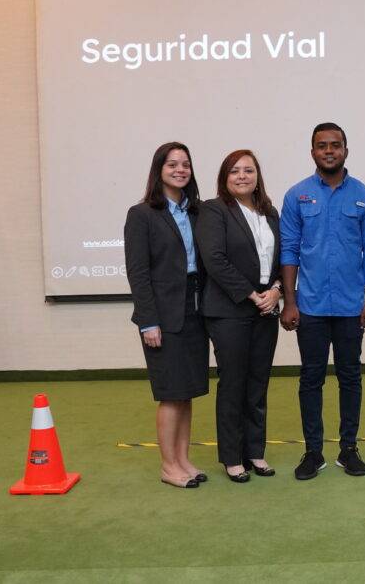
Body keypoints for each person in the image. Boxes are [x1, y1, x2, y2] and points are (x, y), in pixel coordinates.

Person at [280, 122, 365, 480]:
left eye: (335, 145)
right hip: (308, 306)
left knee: (350, 376)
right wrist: (289, 302)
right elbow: (289, 250)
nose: (329, 151)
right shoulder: (297, 196)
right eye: (322, 146)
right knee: (311, 378)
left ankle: (348, 449)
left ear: (345, 150)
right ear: (312, 152)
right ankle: (312, 452)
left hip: (350, 306)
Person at [124, 142, 210, 489]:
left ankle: (184, 459)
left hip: (195, 311)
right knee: (170, 392)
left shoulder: (197, 211)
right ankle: (167, 465)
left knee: (187, 392)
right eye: (172, 164)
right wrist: (149, 321)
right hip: (162, 314)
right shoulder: (142, 214)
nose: (180, 169)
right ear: (158, 169)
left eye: (186, 164)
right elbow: (138, 272)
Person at [195, 149, 281, 483]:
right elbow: (214, 259)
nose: (242, 176)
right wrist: (250, 293)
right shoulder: (214, 210)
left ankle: (255, 452)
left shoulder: (269, 212)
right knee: (233, 383)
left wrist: (276, 290)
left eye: (248, 170)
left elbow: (283, 256)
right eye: (235, 171)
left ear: (258, 175)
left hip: (266, 307)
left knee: (258, 383)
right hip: (229, 308)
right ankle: (232, 457)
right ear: (224, 177)